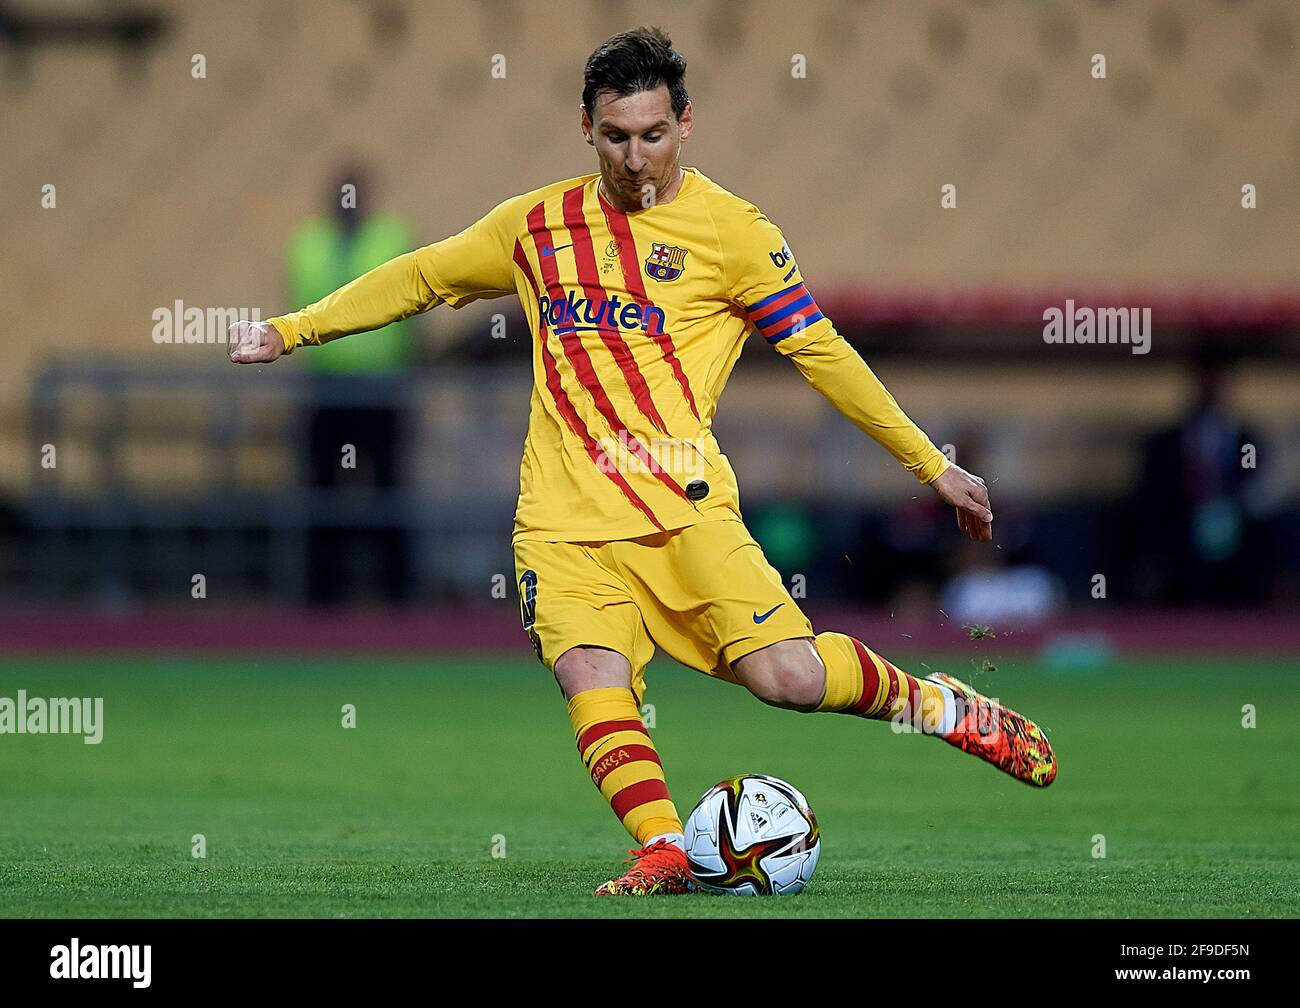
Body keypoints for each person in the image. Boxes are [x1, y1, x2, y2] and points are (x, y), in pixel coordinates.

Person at [229, 27, 1056, 896]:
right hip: (561, 521)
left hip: (685, 511)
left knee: (789, 678)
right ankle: (664, 847)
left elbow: (823, 354)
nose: (635, 158)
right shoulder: (536, 225)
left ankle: (943, 707)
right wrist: (292, 329)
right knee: (590, 674)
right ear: (585, 128)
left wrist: (933, 467)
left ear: (687, 125)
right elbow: (422, 276)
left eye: (653, 135)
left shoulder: (734, 233)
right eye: (616, 136)